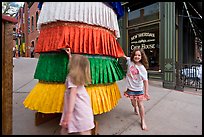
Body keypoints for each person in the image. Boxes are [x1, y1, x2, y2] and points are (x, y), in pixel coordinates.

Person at [59, 48, 95, 135]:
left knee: (81, 128)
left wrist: (68, 114)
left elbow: (73, 95)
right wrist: (70, 55)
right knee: (80, 127)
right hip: (81, 105)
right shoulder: (77, 76)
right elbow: (77, 65)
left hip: (77, 107)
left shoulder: (71, 78)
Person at [122, 47, 150, 131]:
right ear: (133, 55)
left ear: (141, 57)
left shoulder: (142, 69)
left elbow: (145, 81)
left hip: (139, 89)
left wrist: (146, 93)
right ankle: (135, 108)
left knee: (140, 105)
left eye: (139, 55)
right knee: (133, 103)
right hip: (130, 89)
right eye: (135, 55)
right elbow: (123, 55)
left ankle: (143, 121)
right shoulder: (129, 61)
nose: (137, 57)